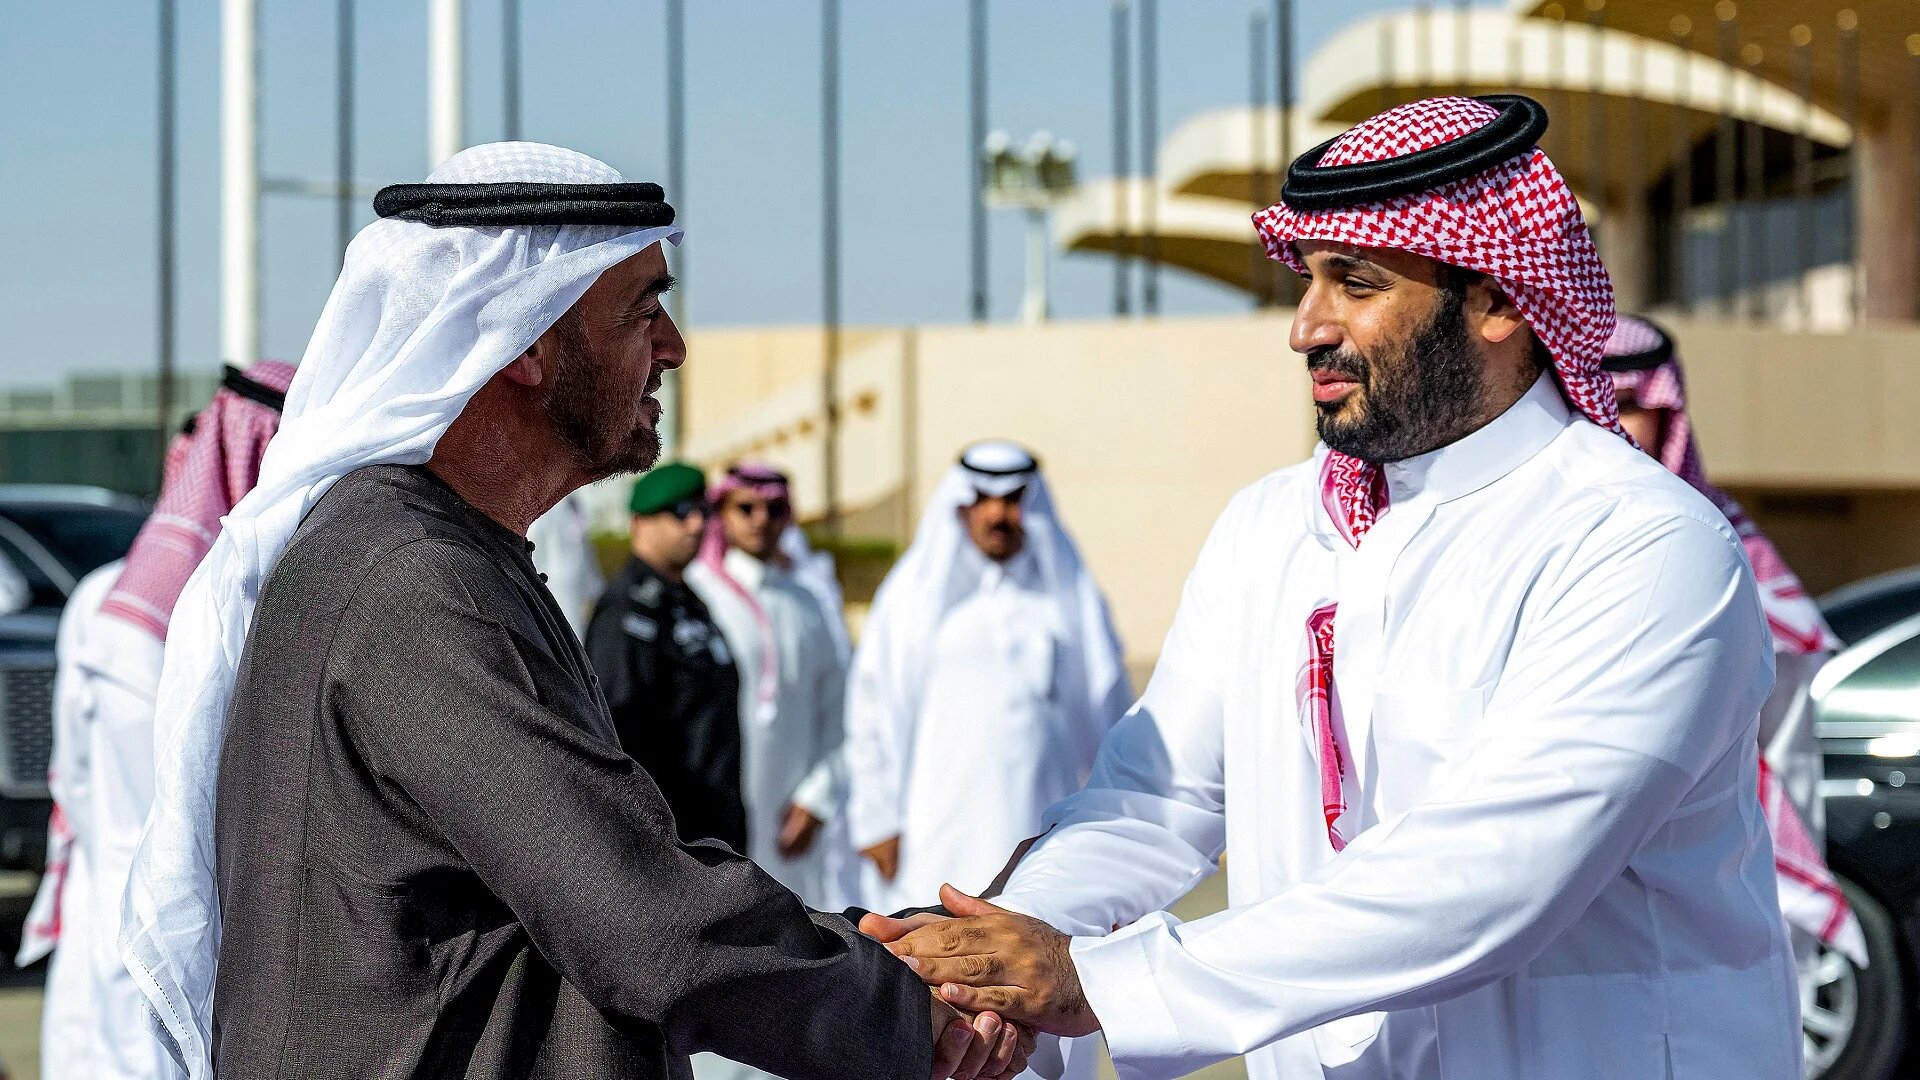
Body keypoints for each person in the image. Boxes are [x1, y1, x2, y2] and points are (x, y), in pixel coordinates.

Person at [868, 95, 1800, 1080]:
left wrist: (1097, 982)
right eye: (1306, 283)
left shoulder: (1639, 543)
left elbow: (1494, 874)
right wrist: (1002, 953)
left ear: (1494, 297)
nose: (1305, 328)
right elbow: (1158, 795)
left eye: (1354, 283)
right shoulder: (1272, 526)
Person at [120, 143, 1027, 1080]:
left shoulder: (444, 552)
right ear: (524, 340)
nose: (671, 346)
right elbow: (638, 915)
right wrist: (904, 1004)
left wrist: (883, 956)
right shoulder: (411, 580)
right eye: (643, 308)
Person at [17, 362, 291, 1080]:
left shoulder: (102, 599)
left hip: (107, 911)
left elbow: (71, 777)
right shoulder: (211, 624)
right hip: (178, 924)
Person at [848, 440, 1130, 1080]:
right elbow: (873, 714)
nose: (998, 514)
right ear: (960, 507)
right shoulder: (919, 598)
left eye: (1012, 500)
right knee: (936, 1002)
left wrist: (1114, 842)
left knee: (1041, 997)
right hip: (936, 834)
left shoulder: (1064, 600)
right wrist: (876, 820)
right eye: (984, 500)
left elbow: (1109, 714)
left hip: (1043, 842)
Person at [1606, 314, 1864, 964]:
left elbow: (1786, 759)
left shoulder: (1723, 542)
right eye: (1593, 394)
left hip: (1701, 893)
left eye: (1633, 403)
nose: (1613, 421)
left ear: (1670, 411)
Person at [687, 463, 853, 909]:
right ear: (721, 512)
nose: (761, 520)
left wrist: (817, 799)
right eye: (746, 508)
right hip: (709, 817)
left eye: (775, 510)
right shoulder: (694, 597)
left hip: (791, 822)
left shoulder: (808, 607)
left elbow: (839, 713)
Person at [585, 461, 746, 849]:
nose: (695, 525)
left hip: (717, 824)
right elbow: (616, 731)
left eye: (702, 512)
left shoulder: (688, 602)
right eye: (678, 513)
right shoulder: (626, 613)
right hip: (674, 841)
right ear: (639, 522)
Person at [528, 488, 607, 639]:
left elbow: (584, 556)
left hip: (575, 601)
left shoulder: (572, 503)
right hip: (551, 600)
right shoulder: (543, 506)